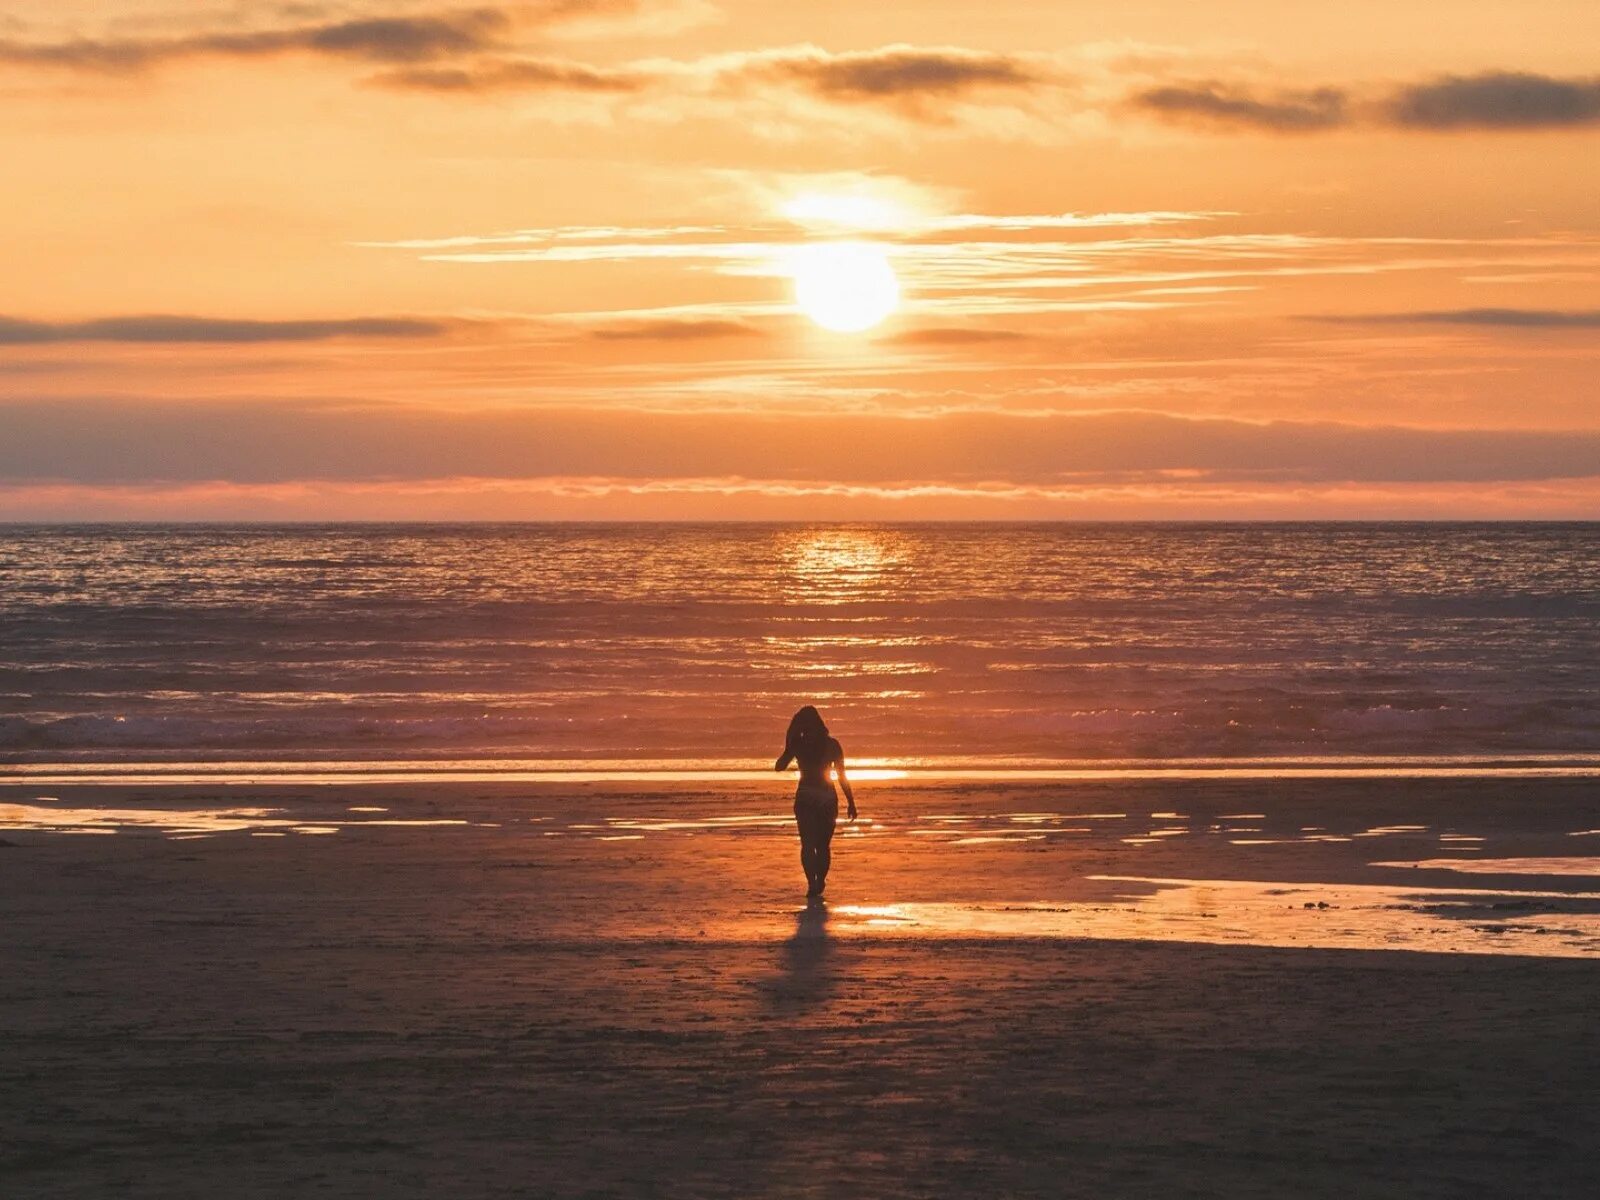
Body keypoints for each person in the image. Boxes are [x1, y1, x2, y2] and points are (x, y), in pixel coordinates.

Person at [774, 705, 856, 899]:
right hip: (827, 798)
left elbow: (779, 767)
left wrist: (789, 742)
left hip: (806, 798)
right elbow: (842, 776)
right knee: (823, 845)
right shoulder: (833, 745)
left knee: (808, 844)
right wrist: (851, 802)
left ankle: (812, 883)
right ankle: (819, 881)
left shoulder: (798, 744)